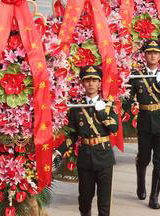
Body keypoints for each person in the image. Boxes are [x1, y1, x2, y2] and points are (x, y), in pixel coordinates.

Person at [57, 65, 119, 216]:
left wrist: (102, 112)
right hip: (86, 157)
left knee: (104, 201)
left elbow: (114, 129)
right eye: (87, 80)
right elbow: (72, 134)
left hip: (104, 156)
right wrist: (59, 151)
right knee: (84, 199)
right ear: (83, 84)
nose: (91, 84)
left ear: (99, 83)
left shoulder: (108, 105)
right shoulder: (77, 108)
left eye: (94, 80)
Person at [131, 39, 160, 210]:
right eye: (149, 53)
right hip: (144, 121)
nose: (152, 56)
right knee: (144, 158)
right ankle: (140, 184)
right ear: (145, 55)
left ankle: (154, 196)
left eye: (156, 53)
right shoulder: (137, 75)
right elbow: (129, 97)